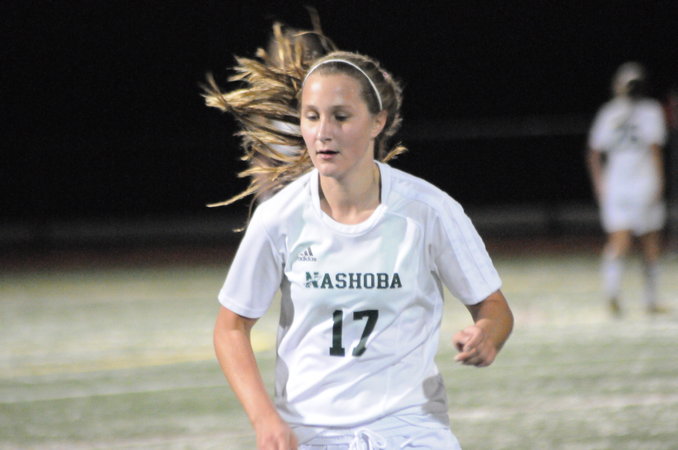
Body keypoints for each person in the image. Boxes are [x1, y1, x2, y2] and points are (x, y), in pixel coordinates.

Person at [211, 50, 514, 449]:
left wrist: (487, 334)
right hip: (312, 435)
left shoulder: (428, 210)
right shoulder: (279, 217)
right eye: (311, 116)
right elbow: (231, 327)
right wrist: (265, 419)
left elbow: (493, 306)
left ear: (377, 122)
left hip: (411, 430)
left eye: (340, 116)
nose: (323, 132)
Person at [587, 62, 669, 315]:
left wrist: (600, 184)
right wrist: (660, 181)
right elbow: (655, 150)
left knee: (618, 241)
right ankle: (650, 300)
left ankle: (612, 292)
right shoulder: (651, 110)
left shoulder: (609, 112)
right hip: (644, 183)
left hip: (617, 185)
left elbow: (593, 153)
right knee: (650, 242)